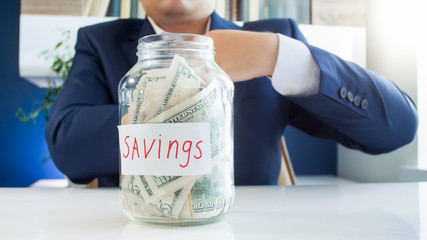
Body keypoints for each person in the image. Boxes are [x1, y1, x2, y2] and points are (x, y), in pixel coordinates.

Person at [45, 0, 418, 187]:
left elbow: (397, 129)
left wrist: (275, 54)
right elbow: (69, 144)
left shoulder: (273, 35)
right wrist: (177, 90)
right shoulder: (99, 42)